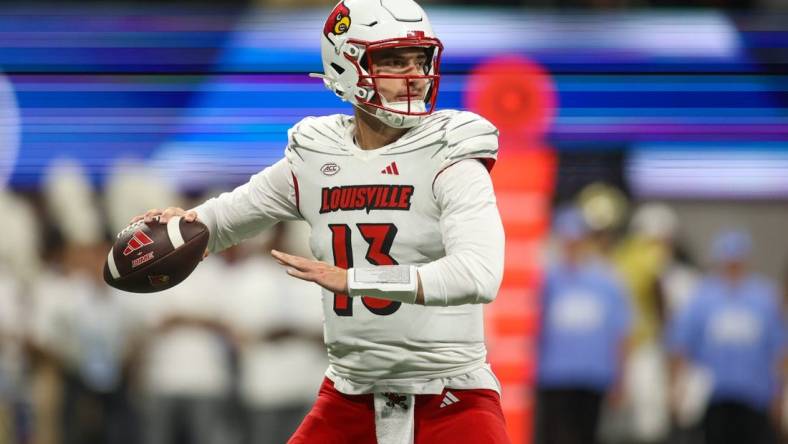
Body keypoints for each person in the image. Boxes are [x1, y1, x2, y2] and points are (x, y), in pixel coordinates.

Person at [130, 0, 509, 443]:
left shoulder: (452, 152)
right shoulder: (317, 153)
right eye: (392, 60)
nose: (412, 75)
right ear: (347, 64)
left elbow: (478, 274)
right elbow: (233, 215)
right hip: (350, 394)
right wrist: (188, 224)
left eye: (419, 59)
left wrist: (355, 280)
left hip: (450, 392)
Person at [667, 230, 787, 444]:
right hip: (712, 393)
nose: (733, 265)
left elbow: (779, 349)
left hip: (756, 392)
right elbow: (681, 344)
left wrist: (779, 395)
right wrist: (677, 386)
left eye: (737, 260)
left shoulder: (765, 297)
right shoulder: (702, 297)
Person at [535, 206, 631, 444]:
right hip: (554, 375)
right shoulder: (546, 279)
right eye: (567, 241)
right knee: (554, 435)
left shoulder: (607, 280)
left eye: (576, 241)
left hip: (593, 375)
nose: (572, 247)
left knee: (587, 435)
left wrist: (620, 378)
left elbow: (621, 332)